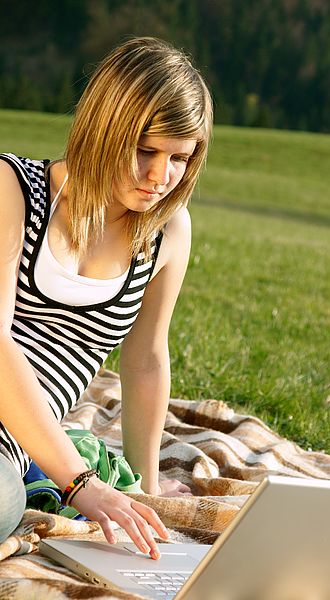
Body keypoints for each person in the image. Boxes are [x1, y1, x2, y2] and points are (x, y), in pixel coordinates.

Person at [0, 37, 213, 558]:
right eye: (145, 151)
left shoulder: (167, 233)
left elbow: (145, 360)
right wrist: (80, 483)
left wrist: (146, 489)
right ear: (104, 128)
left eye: (179, 158)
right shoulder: (12, 189)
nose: (160, 177)